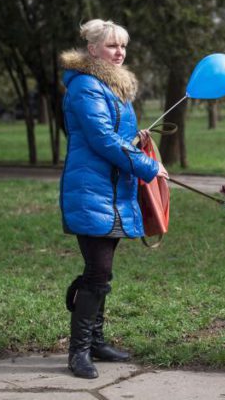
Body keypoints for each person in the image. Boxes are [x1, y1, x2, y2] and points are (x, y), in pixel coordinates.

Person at [59, 19, 168, 379]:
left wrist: (136, 139)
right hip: (90, 190)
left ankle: (96, 341)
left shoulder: (112, 85)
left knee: (101, 272)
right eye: (112, 45)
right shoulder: (85, 85)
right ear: (93, 50)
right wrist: (148, 166)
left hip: (113, 192)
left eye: (123, 45)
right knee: (98, 271)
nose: (120, 52)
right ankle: (78, 352)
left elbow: (115, 135)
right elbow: (102, 139)